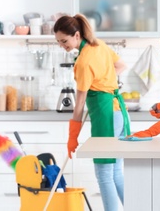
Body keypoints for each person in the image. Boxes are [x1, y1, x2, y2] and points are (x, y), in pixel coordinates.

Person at [54, 13, 130, 211]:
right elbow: (121, 65)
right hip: (118, 113)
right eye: (59, 42)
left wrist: (72, 137)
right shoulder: (99, 46)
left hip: (106, 117)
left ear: (77, 36)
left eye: (64, 41)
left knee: (105, 175)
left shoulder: (84, 62)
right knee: (116, 173)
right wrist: (103, 80)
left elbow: (79, 105)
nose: (63, 45)